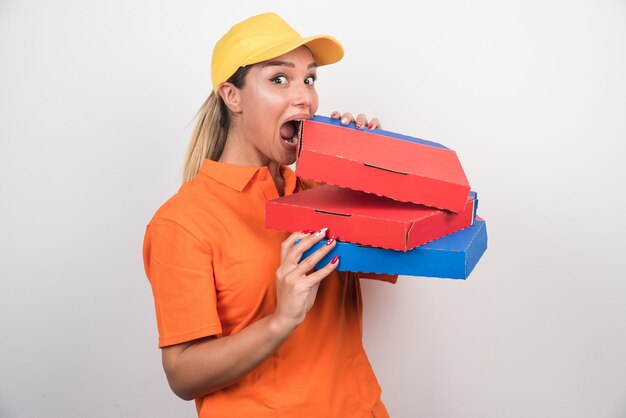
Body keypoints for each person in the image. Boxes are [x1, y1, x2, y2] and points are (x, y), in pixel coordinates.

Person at [142, 12, 396, 417]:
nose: (306, 98)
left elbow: (409, 247)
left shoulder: (322, 190)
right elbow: (182, 375)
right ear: (233, 96)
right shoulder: (183, 222)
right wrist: (281, 321)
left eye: (309, 79)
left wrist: (367, 167)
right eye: (279, 79)